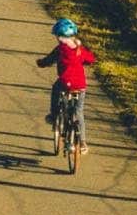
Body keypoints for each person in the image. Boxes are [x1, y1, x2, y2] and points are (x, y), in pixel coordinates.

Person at [37, 18, 98, 153]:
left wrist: (41, 63)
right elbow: (91, 59)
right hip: (80, 85)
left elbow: (48, 60)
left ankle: (53, 116)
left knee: (55, 89)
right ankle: (82, 142)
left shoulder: (60, 50)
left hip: (65, 83)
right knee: (78, 111)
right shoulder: (79, 49)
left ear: (59, 37)